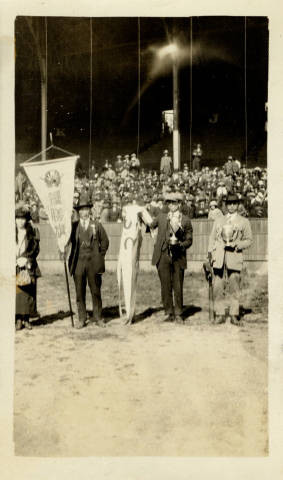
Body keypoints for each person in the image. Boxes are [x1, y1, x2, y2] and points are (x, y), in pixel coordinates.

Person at [207, 194, 253, 326]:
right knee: (217, 286)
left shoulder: (244, 221)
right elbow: (212, 239)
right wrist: (210, 254)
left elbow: (249, 240)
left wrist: (237, 244)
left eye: (234, 204)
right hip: (219, 257)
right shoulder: (219, 220)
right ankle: (220, 314)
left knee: (234, 286)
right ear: (226, 205)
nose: (231, 206)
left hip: (234, 256)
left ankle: (234, 315)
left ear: (238, 205)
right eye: (229, 204)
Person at [67, 192, 109, 328]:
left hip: (93, 263)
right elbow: (66, 241)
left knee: (95, 291)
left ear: (89, 210)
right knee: (79, 291)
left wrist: (99, 256)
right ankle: (82, 318)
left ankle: (98, 317)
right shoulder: (73, 227)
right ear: (78, 212)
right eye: (81, 209)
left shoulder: (96, 225)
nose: (84, 212)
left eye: (86, 209)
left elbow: (105, 242)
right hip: (78, 263)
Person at [149, 192, 193, 323]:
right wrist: (140, 212)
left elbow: (189, 240)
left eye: (174, 202)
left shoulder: (185, 220)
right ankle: (169, 312)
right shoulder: (161, 217)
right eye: (169, 203)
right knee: (165, 285)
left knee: (178, 285)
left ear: (179, 204)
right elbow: (150, 224)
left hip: (178, 255)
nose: (172, 205)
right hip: (163, 255)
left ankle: (179, 313)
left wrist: (181, 245)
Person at [15, 207, 41, 330]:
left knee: (27, 292)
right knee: (16, 292)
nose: (20, 221)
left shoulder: (31, 233)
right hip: (14, 265)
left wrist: (27, 259)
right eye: (18, 218)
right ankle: (18, 319)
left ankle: (26, 319)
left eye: (22, 219)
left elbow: (35, 249)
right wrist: (15, 260)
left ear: (26, 220)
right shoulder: (9, 233)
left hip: (27, 265)